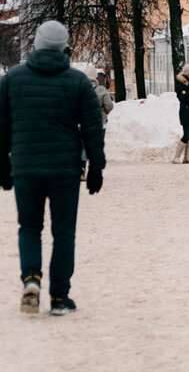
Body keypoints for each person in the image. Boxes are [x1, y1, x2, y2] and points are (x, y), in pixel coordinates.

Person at [0, 20, 105, 316]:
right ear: (64, 48)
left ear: (35, 44)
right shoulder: (78, 82)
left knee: (30, 227)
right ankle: (59, 297)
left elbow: (2, 125)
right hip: (64, 170)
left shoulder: (13, 79)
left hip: (26, 167)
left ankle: (31, 279)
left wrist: (2, 166)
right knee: (63, 232)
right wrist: (96, 167)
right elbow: (92, 128)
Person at [80, 65, 114, 179]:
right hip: (100, 123)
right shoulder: (101, 90)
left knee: (84, 145)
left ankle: (81, 169)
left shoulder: (80, 89)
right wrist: (103, 113)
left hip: (83, 123)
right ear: (95, 77)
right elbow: (109, 106)